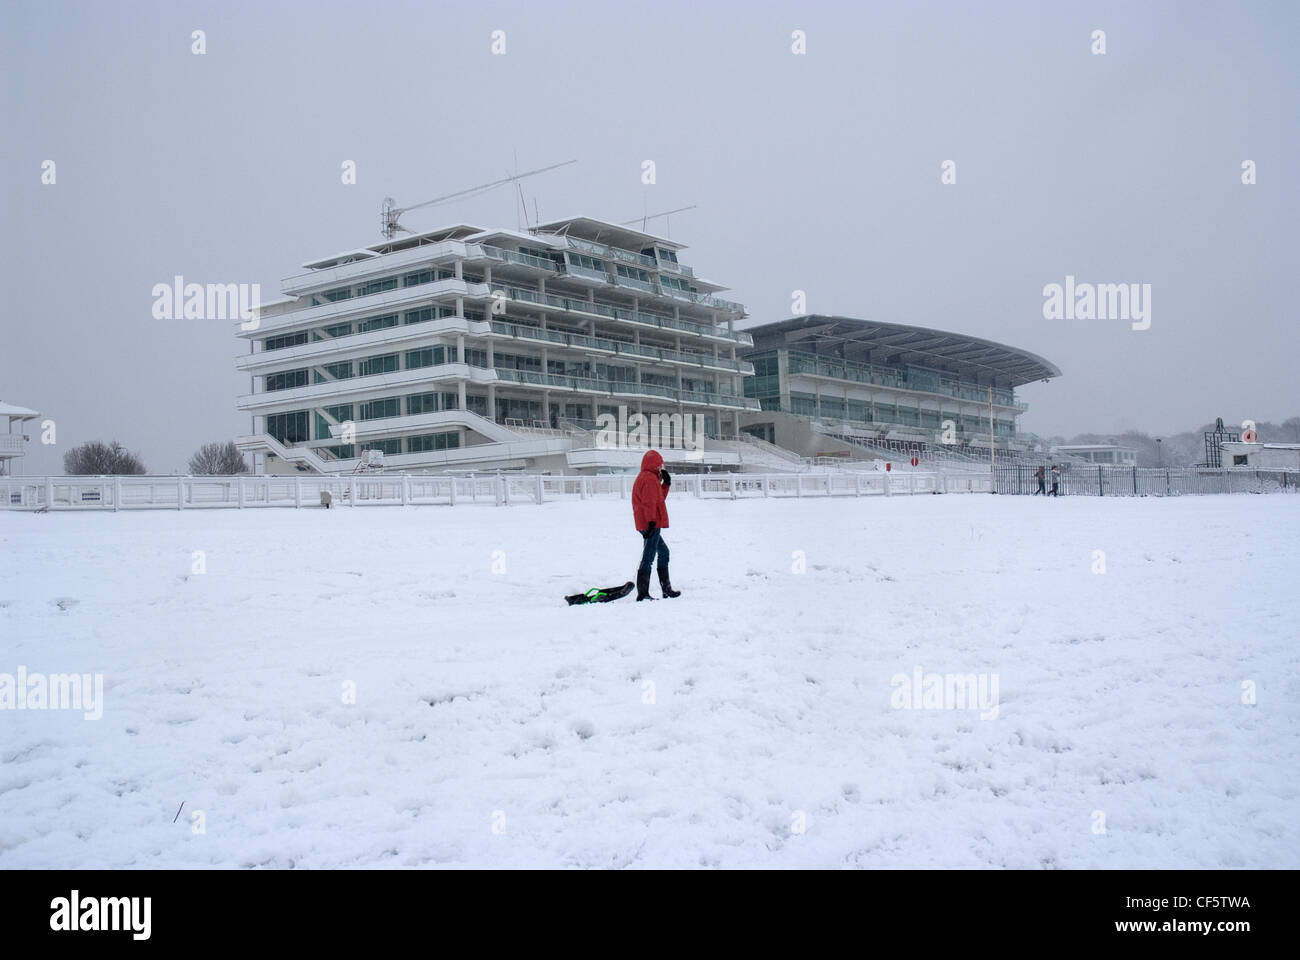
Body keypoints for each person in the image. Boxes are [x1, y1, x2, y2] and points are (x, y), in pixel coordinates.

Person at [631, 449, 680, 601]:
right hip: (650, 523)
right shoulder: (650, 480)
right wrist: (651, 522)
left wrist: (666, 484)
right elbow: (649, 503)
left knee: (663, 552)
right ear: (655, 465)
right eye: (660, 466)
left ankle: (666, 590)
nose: (662, 469)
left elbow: (657, 500)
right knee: (649, 556)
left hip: (645, 522)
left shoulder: (647, 478)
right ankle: (643, 593)